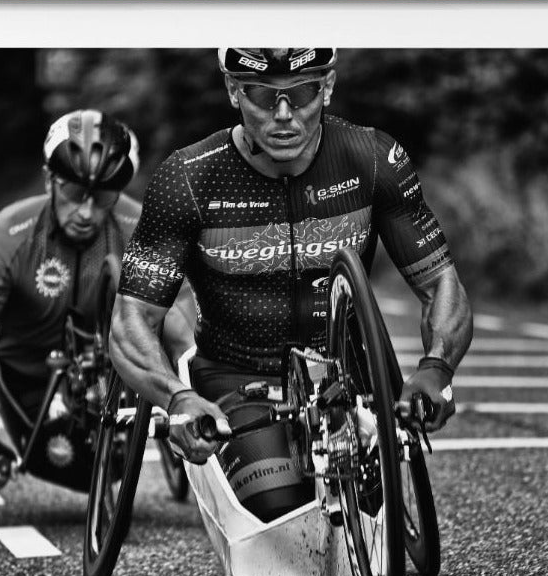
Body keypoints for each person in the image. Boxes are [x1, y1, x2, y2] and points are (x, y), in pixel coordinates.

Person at [111, 48, 474, 523]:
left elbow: (441, 283)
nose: (283, 115)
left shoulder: (373, 157)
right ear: (234, 90)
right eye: (263, 96)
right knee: (284, 511)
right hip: (238, 373)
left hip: (349, 371)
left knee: (365, 509)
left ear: (326, 87)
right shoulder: (188, 178)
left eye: (301, 93)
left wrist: (436, 369)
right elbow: (131, 321)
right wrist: (176, 398)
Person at [0, 109, 194, 491]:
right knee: (60, 458)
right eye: (74, 193)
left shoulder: (140, 228)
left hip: (115, 379)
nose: (86, 212)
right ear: (49, 180)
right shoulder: (7, 236)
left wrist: (189, 400)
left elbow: (187, 335)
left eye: (103, 196)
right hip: (29, 378)